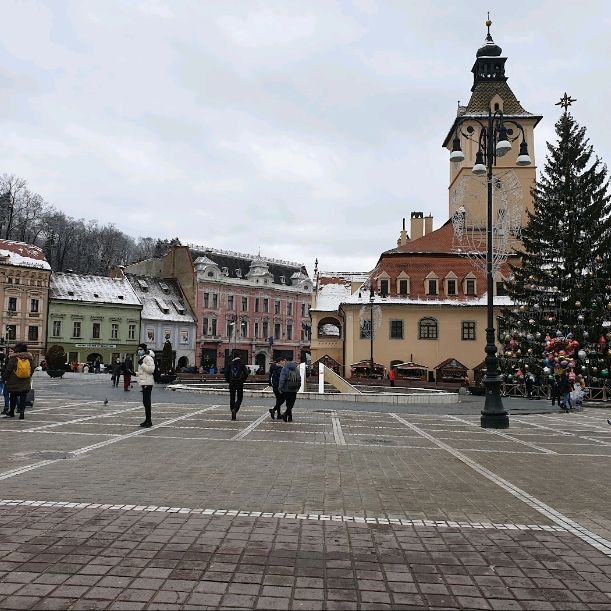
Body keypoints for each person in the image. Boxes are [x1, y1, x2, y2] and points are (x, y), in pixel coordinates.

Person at [3, 343, 34, 420]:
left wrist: (5, 378)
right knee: (23, 397)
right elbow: (32, 368)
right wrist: (29, 375)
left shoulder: (13, 358)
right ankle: (22, 412)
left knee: (13, 396)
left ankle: (12, 412)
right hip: (25, 380)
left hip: (13, 380)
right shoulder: (29, 358)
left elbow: (9, 369)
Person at [136, 343, 155, 427]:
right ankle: (147, 420)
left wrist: (141, 364)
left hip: (148, 382)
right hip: (144, 382)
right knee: (145, 402)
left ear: (144, 350)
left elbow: (151, 370)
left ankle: (149, 421)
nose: (139, 351)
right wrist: (133, 373)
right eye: (138, 349)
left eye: (141, 349)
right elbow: (142, 372)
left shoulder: (148, 358)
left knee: (147, 402)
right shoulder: (143, 358)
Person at [224, 354, 249, 420]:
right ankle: (235, 409)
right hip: (239, 383)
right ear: (239, 356)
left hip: (232, 383)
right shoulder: (242, 363)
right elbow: (246, 373)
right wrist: (243, 380)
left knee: (232, 397)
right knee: (239, 398)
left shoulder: (230, 363)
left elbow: (226, 374)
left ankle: (232, 410)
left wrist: (229, 381)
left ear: (234, 356)